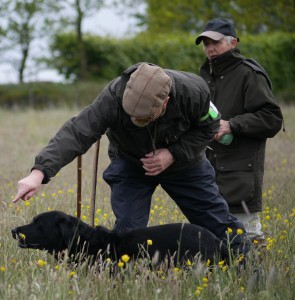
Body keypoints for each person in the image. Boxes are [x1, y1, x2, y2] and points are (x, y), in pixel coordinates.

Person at [13, 62, 250, 255]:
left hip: (185, 164)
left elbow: (210, 127)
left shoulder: (193, 91)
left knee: (218, 223)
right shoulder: (112, 97)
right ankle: (125, 284)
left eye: (144, 118)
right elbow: (77, 132)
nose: (136, 121)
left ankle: (247, 269)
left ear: (165, 102)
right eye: (132, 116)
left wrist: (173, 153)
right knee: (126, 236)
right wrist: (39, 173)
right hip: (130, 163)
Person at [195, 18, 283, 243]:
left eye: (215, 42)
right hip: (208, 172)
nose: (210, 48)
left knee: (249, 237)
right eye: (205, 43)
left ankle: (258, 278)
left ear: (233, 43)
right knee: (211, 239)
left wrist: (232, 124)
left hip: (240, 173)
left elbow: (272, 119)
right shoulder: (204, 76)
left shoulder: (248, 73)